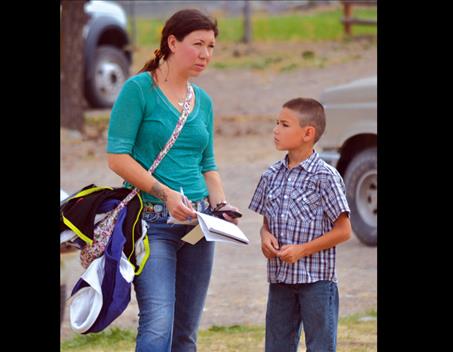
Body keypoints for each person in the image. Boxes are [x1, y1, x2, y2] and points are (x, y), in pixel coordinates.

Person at [106, 9, 240, 352]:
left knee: (186, 332)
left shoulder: (203, 101)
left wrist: (220, 205)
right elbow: (117, 157)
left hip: (199, 227)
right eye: (197, 44)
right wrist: (164, 193)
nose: (205, 54)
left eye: (211, 46)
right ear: (172, 42)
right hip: (152, 223)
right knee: (157, 325)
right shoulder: (138, 90)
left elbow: (208, 163)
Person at [248, 97, 352, 351]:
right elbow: (266, 224)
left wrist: (302, 250)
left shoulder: (326, 177)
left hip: (317, 282)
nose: (276, 130)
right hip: (280, 281)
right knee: (277, 347)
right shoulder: (270, 175)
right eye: (276, 123)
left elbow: (344, 231)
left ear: (308, 133)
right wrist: (265, 238)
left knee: (320, 347)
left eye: (284, 125)